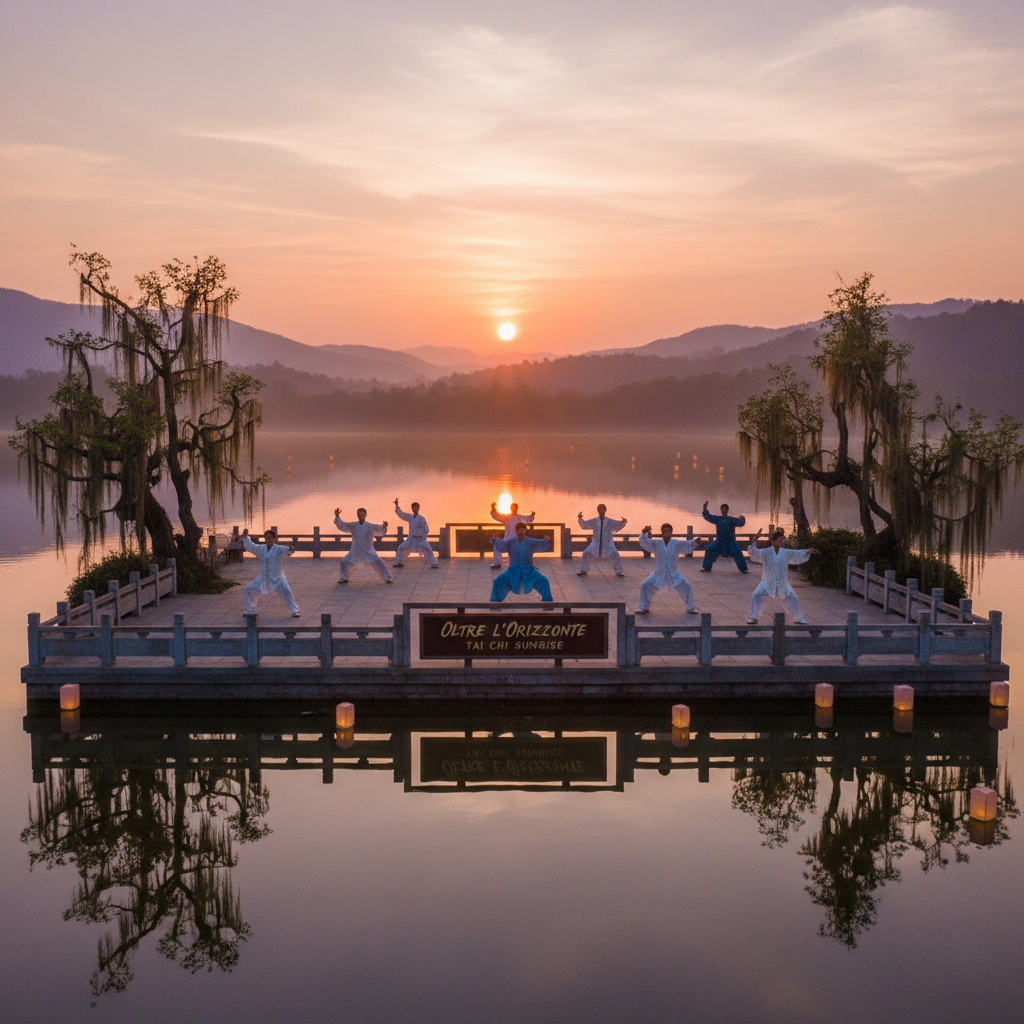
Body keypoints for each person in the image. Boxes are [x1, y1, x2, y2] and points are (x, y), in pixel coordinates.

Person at [745, 529, 820, 624]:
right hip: (767, 582)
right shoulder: (766, 552)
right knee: (756, 596)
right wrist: (754, 542)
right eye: (780, 540)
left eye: (783, 540)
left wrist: (807, 551)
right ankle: (753, 617)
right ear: (773, 541)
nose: (782, 542)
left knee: (794, 598)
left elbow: (796, 554)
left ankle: (799, 618)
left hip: (782, 583)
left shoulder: (785, 552)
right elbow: (754, 553)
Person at [637, 523, 700, 615]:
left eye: (668, 531)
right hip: (659, 573)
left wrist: (695, 541)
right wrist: (643, 533)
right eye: (665, 531)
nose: (666, 532)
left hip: (674, 572)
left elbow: (687, 544)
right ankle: (643, 607)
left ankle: (691, 607)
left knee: (687, 586)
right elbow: (645, 541)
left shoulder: (676, 543)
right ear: (662, 532)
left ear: (671, 532)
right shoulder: (656, 543)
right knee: (645, 585)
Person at [241, 528, 299, 617]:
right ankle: (250, 611)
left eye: (271, 537)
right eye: (268, 538)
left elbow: (287, 550)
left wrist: (290, 549)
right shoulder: (261, 548)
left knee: (286, 591)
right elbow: (252, 547)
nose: (270, 539)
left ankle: (295, 611)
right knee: (248, 589)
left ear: (274, 539)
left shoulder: (278, 548)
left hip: (278, 577)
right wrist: (245, 538)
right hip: (263, 577)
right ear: (265, 539)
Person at [489, 521, 553, 602]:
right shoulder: (511, 542)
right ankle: (495, 602)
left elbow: (539, 543)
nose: (521, 533)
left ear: (525, 531)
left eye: (523, 531)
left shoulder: (530, 541)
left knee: (544, 581)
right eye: (520, 531)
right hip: (512, 571)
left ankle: (547, 602)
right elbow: (503, 545)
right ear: (516, 531)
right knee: (498, 581)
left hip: (529, 570)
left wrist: (545, 540)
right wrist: (495, 539)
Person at [333, 507, 392, 583]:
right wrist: (337, 516)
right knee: (344, 561)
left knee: (378, 561)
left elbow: (379, 529)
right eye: (359, 515)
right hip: (355, 550)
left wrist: (384, 526)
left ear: (365, 515)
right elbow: (343, 525)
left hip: (368, 550)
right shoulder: (353, 525)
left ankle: (387, 578)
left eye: (362, 515)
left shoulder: (370, 526)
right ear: (357, 515)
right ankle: (343, 578)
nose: (360, 517)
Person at [576, 504, 627, 576]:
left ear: (605, 511)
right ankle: (583, 570)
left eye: (603, 509)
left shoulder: (609, 521)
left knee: (615, 554)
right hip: (595, 543)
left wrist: (623, 522)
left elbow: (617, 525)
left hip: (608, 543)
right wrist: (580, 518)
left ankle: (619, 572)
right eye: (600, 509)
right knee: (586, 553)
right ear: (598, 511)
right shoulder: (594, 521)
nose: (601, 511)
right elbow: (585, 525)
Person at [699, 500, 748, 573]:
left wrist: (742, 518)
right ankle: (707, 567)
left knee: (737, 552)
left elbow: (741, 523)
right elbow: (709, 517)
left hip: (731, 541)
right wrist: (705, 509)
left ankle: (743, 569)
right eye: (723, 509)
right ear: (721, 510)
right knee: (709, 550)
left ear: (728, 510)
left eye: (725, 510)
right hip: (719, 541)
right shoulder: (718, 519)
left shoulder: (732, 520)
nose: (724, 511)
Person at [392, 498, 438, 568]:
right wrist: (397, 505)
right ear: (412, 509)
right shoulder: (410, 517)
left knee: (428, 549)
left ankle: (434, 564)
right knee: (401, 547)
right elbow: (402, 514)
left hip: (420, 539)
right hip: (411, 539)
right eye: (413, 508)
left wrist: (421, 535)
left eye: (416, 507)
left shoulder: (421, 518)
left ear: (418, 508)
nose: (415, 509)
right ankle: (399, 562)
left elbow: (426, 529)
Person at [490, 501, 536, 568]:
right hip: (510, 542)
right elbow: (529, 519)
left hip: (513, 542)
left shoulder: (510, 517)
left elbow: (497, 516)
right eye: (513, 508)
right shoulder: (513, 518)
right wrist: (494, 509)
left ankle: (498, 563)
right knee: (497, 546)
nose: (514, 509)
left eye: (514, 508)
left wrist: (532, 515)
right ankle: (498, 564)